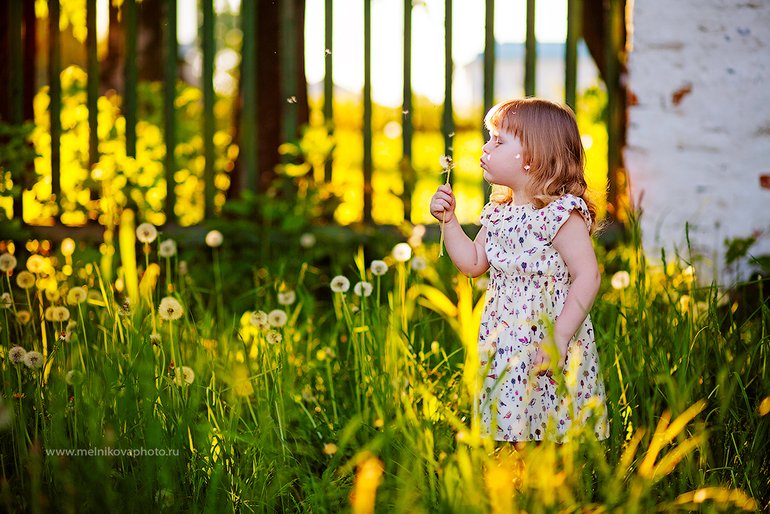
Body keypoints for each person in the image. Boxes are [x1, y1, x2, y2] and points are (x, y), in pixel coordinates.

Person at [430, 98, 608, 444]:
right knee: (513, 421)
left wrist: (559, 338)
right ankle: (516, 484)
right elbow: (473, 264)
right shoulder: (499, 212)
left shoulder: (560, 214)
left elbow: (589, 276)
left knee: (552, 419)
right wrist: (449, 223)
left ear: (532, 159)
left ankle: (556, 486)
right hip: (506, 338)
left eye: (498, 141)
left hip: (549, 333)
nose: (485, 147)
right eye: (489, 138)